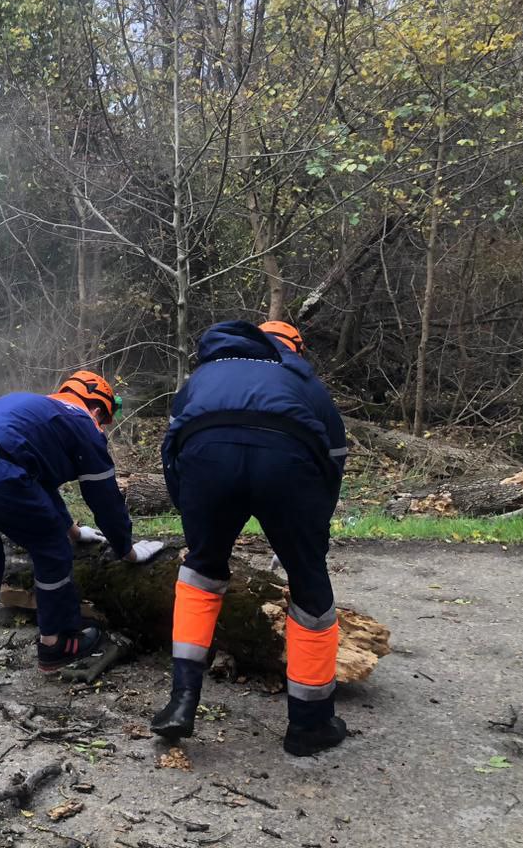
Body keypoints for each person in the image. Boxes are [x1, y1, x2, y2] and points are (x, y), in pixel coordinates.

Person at [151, 320, 349, 756]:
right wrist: (315, 531)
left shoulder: (202, 377)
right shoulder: (301, 378)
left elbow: (171, 449)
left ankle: (182, 701)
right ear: (293, 347)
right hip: (289, 462)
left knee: (202, 569)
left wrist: (194, 518)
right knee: (309, 581)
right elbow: (334, 457)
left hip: (207, 458)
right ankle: (310, 724)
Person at [0, 371, 164, 712]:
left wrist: (72, 528)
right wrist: (126, 548)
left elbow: (36, 481)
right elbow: (106, 500)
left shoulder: (36, 411)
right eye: (105, 423)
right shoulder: (83, 423)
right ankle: (56, 643)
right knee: (52, 551)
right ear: (98, 411)